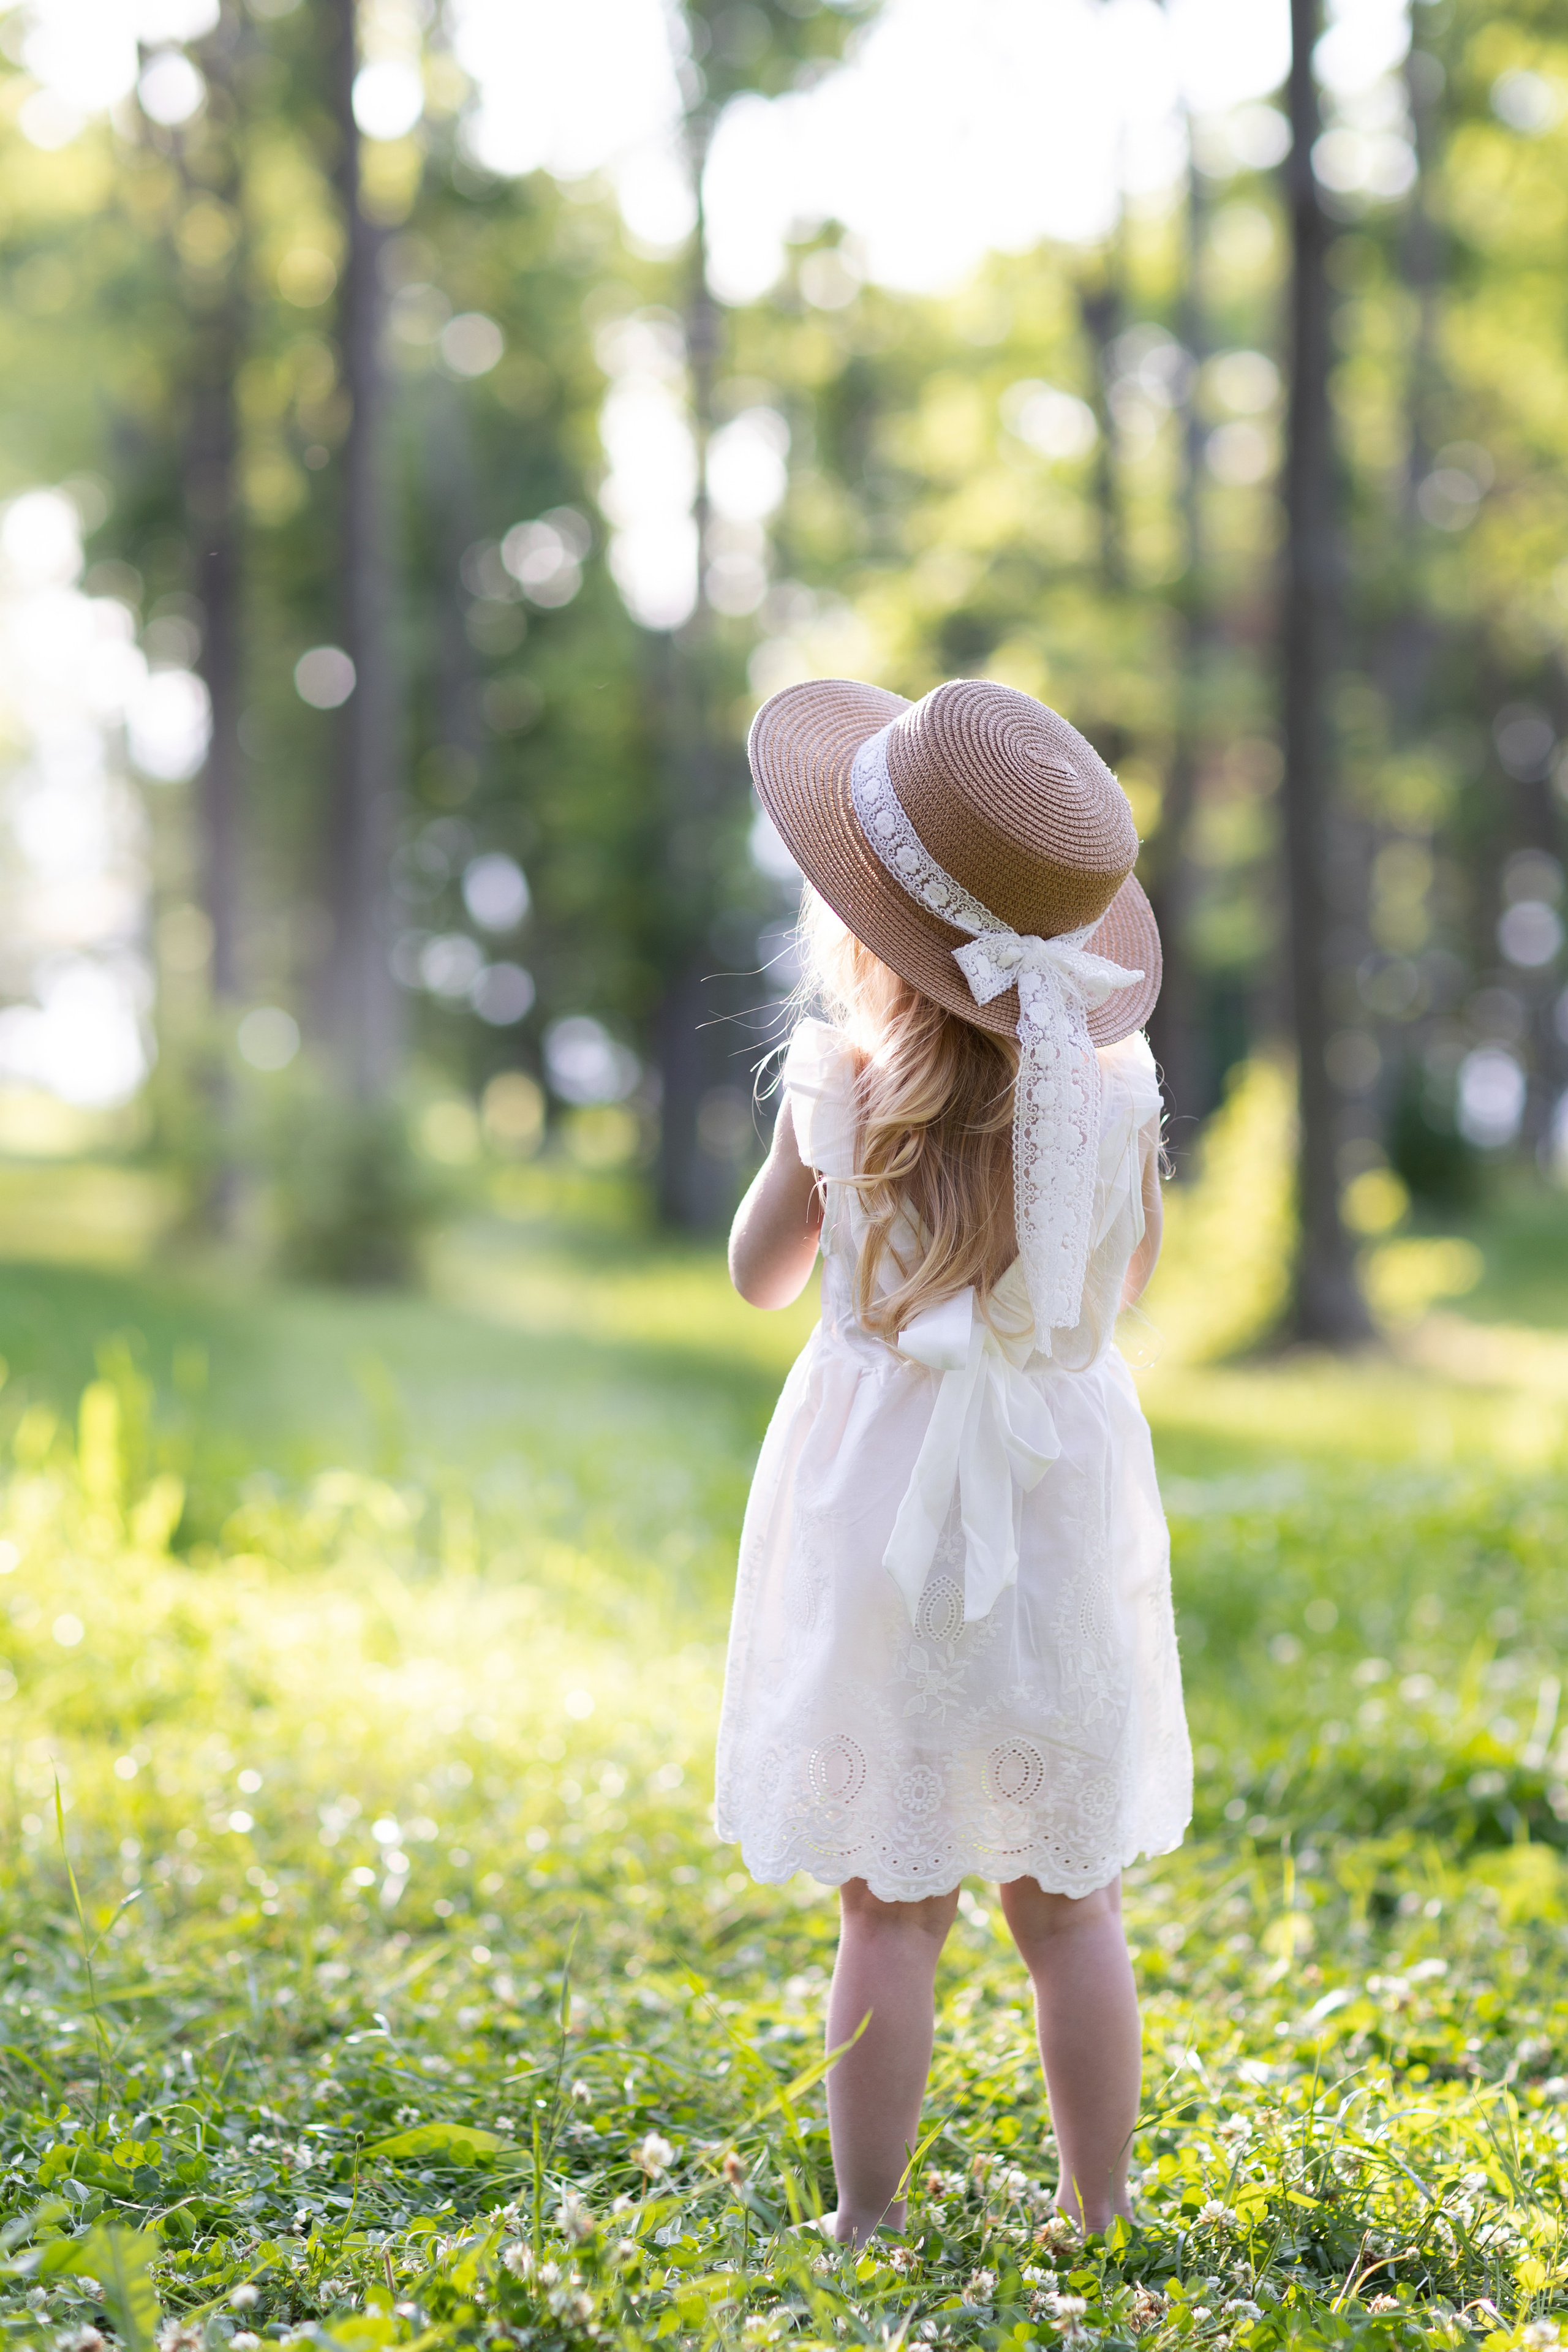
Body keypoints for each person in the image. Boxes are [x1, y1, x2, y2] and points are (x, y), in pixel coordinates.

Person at [715, 677, 1192, 2246]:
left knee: (888, 1899)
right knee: (1066, 1899)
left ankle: (865, 2222)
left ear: (873, 930)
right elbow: (1114, 1292)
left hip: (876, 1514)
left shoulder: (837, 1091)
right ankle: (1094, 2204)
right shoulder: (1115, 1103)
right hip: (1050, 1500)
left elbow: (757, 1276)